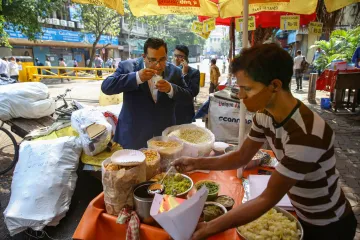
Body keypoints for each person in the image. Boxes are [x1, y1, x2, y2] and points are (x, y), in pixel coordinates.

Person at [173, 44, 357, 240]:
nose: (241, 96)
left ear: (275, 85)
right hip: (301, 213)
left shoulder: (306, 134)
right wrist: (197, 163)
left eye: (247, 89)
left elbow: (267, 198)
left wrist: (209, 228)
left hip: (329, 225)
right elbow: (241, 156)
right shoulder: (264, 115)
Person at [101, 38, 192, 149]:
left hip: (163, 137)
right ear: (144, 57)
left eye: (162, 59)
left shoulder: (175, 72)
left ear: (167, 56)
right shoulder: (127, 67)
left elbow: (188, 97)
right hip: (134, 135)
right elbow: (106, 87)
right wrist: (137, 77)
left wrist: (171, 89)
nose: (158, 65)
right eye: (152, 60)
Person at [173, 45, 200, 124]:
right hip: (170, 112)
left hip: (185, 112)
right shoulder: (168, 70)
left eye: (180, 56)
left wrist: (184, 74)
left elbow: (194, 92)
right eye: (175, 55)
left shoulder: (194, 72)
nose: (176, 59)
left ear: (186, 58)